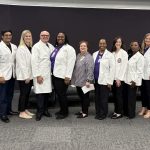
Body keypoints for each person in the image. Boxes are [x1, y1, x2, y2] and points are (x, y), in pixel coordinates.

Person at [50, 32, 76, 119]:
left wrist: (68, 76)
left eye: (62, 37)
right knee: (59, 94)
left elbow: (71, 63)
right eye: (58, 36)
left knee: (62, 95)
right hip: (55, 75)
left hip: (63, 77)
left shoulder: (69, 48)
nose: (60, 38)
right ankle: (61, 110)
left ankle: (64, 112)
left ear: (65, 38)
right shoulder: (56, 48)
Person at [31, 31, 54, 121]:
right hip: (40, 74)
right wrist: (37, 75)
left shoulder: (50, 46)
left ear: (49, 36)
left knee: (46, 94)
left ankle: (45, 110)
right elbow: (34, 62)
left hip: (48, 74)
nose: (45, 36)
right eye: (43, 35)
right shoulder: (36, 46)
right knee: (40, 94)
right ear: (40, 36)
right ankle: (39, 112)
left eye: (47, 35)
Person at [93, 39, 115, 120]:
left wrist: (110, 82)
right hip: (96, 80)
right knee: (97, 98)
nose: (102, 44)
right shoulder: (94, 54)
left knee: (103, 98)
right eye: (100, 43)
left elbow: (112, 69)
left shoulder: (110, 55)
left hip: (105, 81)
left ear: (106, 45)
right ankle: (98, 112)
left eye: (103, 43)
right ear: (98, 44)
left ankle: (103, 113)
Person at [71, 41, 94, 118]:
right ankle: (82, 110)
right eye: (81, 46)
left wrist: (88, 80)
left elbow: (90, 69)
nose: (82, 47)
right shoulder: (78, 55)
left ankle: (85, 113)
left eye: (84, 46)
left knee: (85, 97)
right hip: (78, 81)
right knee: (81, 97)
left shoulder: (89, 57)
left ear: (87, 47)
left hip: (85, 82)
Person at [16, 30, 34, 119]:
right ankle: (21, 112)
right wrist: (26, 76)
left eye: (29, 36)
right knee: (23, 94)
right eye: (26, 36)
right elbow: (21, 64)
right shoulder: (21, 48)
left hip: (29, 76)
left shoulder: (30, 47)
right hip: (24, 77)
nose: (28, 37)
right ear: (23, 37)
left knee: (27, 94)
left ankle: (25, 109)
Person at [0, 30, 17, 123]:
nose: (8, 37)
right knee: (2, 96)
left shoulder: (14, 46)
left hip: (12, 75)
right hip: (3, 76)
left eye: (10, 35)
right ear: (2, 37)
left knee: (10, 95)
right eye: (6, 35)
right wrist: (0, 76)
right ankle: (2, 114)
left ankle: (8, 110)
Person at [124, 41, 144, 119]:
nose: (133, 46)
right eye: (132, 45)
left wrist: (135, 81)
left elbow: (140, 71)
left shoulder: (140, 57)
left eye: (135, 45)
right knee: (127, 97)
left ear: (139, 47)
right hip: (126, 80)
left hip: (133, 81)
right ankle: (127, 112)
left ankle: (131, 114)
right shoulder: (129, 55)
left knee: (131, 99)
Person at [111, 36, 128, 119]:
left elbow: (124, 67)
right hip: (113, 79)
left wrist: (119, 79)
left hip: (119, 80)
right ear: (114, 43)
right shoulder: (113, 53)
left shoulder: (124, 53)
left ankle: (119, 113)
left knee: (119, 96)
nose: (118, 43)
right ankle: (116, 111)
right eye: (116, 42)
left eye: (119, 42)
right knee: (115, 96)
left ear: (121, 43)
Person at [138, 33, 150, 118]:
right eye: (146, 38)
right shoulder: (142, 49)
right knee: (143, 93)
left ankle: (149, 110)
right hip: (142, 74)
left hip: (149, 74)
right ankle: (144, 107)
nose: (147, 40)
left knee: (149, 93)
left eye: (149, 39)